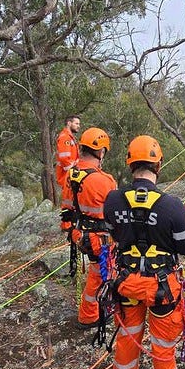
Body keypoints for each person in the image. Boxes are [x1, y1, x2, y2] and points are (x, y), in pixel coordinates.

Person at [103, 135, 185, 369]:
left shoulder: (112, 200)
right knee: (162, 344)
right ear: (159, 164)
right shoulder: (172, 206)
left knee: (128, 335)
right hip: (161, 287)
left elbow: (114, 235)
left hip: (127, 282)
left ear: (130, 163)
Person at [61, 127, 117, 329]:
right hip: (98, 239)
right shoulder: (105, 180)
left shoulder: (71, 175)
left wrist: (70, 229)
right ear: (101, 152)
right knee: (100, 274)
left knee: (96, 273)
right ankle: (89, 315)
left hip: (78, 234)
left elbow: (66, 209)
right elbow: (115, 215)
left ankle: (90, 310)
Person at [57, 115, 81, 231]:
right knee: (68, 200)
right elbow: (64, 158)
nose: (78, 126)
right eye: (76, 123)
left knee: (71, 199)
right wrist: (73, 171)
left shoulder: (70, 138)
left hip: (69, 174)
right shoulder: (65, 138)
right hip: (67, 175)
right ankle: (66, 225)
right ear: (69, 123)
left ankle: (70, 224)